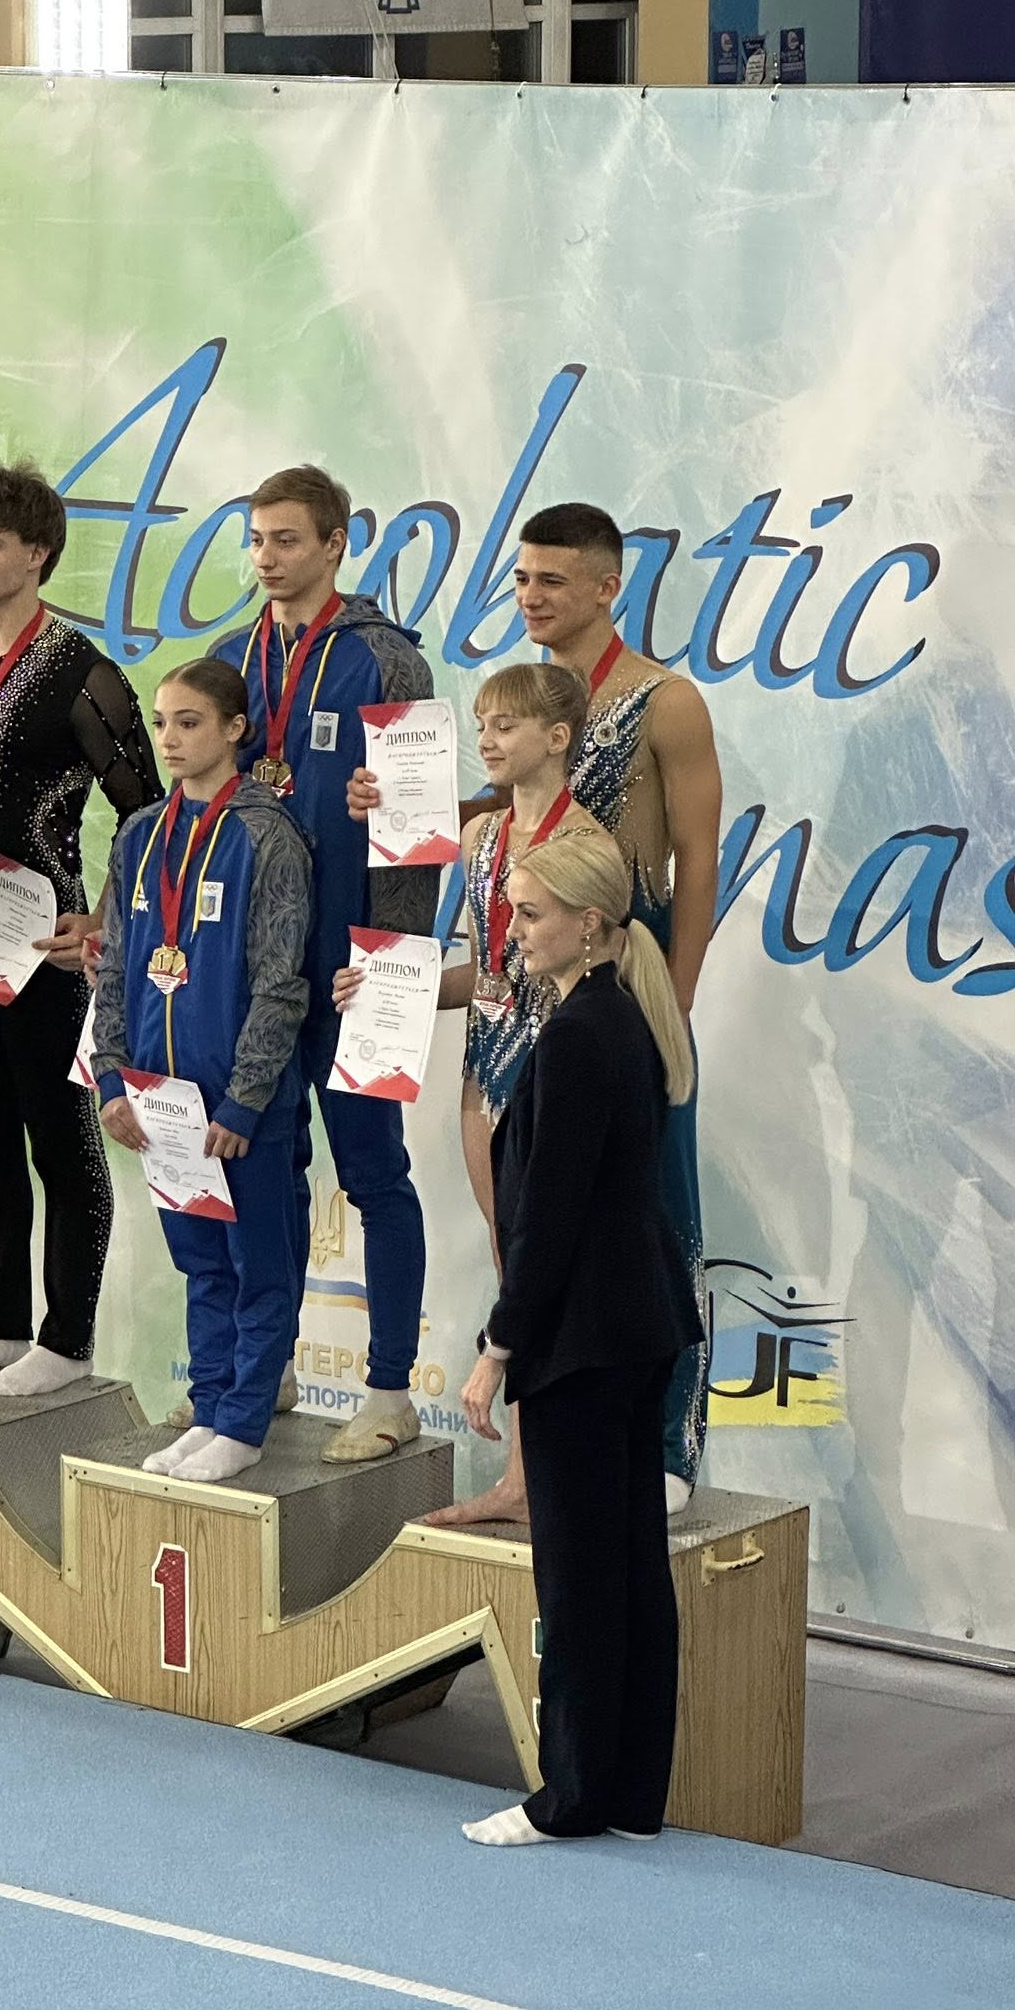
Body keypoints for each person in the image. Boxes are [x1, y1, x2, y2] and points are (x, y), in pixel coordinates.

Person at [453, 502, 721, 1513]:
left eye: (552, 581)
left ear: (609, 585)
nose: (531, 596)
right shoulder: (523, 708)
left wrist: (672, 1004)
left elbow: (696, 860)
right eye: (522, 579)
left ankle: (671, 1448)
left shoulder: (664, 701)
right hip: (519, 991)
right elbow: (505, 823)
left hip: (620, 985)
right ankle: (532, 1469)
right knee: (525, 1231)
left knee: (657, 1217)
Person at [456, 829, 701, 1847]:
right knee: (631, 1564)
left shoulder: (578, 1036)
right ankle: (629, 1793)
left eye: (532, 913)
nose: (514, 930)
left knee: (580, 1575)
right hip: (634, 1328)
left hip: (586, 1342)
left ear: (590, 923)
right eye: (513, 910)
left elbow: (548, 1220)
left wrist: (498, 1348)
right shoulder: (620, 1020)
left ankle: (568, 1797)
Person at [202, 466, 438, 1464]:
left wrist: (391, 967)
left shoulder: (388, 661)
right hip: (259, 974)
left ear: (337, 543)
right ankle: (272, 1364)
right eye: (256, 539)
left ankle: (390, 1391)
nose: (267, 558)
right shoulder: (228, 658)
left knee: (375, 1173)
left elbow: (419, 831)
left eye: (287, 539)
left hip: (354, 966)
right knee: (264, 1170)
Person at [0, 463, 163, 1399]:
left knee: (60, 1139)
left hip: (47, 948)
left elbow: (148, 816)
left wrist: (102, 918)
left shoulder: (84, 677)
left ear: (37, 554)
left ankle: (67, 1338)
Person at [92, 660, 311, 1483]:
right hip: (163, 1102)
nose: (170, 740)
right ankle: (212, 1405)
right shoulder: (139, 835)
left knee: (260, 1269)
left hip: (238, 1104)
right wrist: (112, 1078)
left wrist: (247, 1100)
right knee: (201, 1266)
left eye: (189, 722)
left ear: (234, 729)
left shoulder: (267, 836)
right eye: (161, 723)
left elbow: (281, 982)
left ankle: (245, 1422)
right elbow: (115, 968)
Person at [346, 661, 599, 1268]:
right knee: (505, 1245)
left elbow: (593, 978)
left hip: (559, 1066)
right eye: (482, 725)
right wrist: (384, 988)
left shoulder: (587, 847)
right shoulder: (480, 835)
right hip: (483, 1069)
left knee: (562, 1255)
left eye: (505, 727)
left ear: (557, 737)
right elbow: (491, 971)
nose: (485, 740)